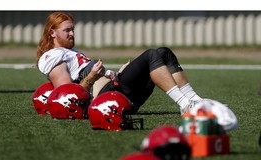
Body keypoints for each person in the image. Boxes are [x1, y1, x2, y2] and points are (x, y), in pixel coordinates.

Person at [36, 12, 204, 115]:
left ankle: (196, 101)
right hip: (107, 101)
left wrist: (115, 73)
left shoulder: (72, 52)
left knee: (163, 52)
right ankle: (184, 104)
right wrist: (93, 75)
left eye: (73, 29)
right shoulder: (52, 56)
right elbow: (67, 97)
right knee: (151, 55)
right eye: (67, 30)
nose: (72, 33)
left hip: (115, 89)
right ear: (52, 33)